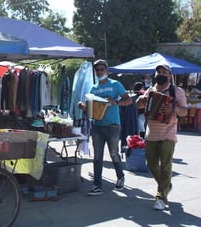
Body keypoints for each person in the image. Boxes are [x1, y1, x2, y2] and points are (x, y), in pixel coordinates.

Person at [136, 64, 187, 210]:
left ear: (170, 75)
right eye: (158, 71)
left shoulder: (177, 91)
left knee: (166, 167)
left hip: (168, 133)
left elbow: (183, 112)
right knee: (151, 165)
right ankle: (166, 185)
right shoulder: (150, 90)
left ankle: (161, 197)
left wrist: (173, 108)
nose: (160, 74)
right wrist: (141, 100)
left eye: (164, 72)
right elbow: (139, 105)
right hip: (151, 134)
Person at [78, 59, 132, 196]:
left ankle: (120, 177)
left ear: (107, 70)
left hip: (113, 126)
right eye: (97, 70)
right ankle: (97, 185)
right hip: (97, 126)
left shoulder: (115, 84)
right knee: (97, 156)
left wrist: (115, 102)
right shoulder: (93, 88)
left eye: (102, 69)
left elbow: (129, 100)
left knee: (114, 153)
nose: (100, 72)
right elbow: (90, 109)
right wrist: (83, 107)